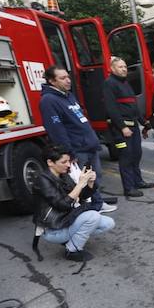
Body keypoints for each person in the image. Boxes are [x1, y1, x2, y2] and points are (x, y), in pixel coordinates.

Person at [39, 66, 116, 213]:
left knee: (94, 176)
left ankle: (97, 202)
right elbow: (56, 130)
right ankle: (92, 206)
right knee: (82, 179)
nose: (68, 80)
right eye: (62, 78)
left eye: (68, 77)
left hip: (88, 145)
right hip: (77, 148)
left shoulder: (68, 95)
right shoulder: (48, 100)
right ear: (51, 81)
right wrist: (68, 153)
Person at [34, 145, 114, 262]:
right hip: (53, 229)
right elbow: (62, 204)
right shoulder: (42, 180)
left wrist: (90, 183)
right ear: (50, 162)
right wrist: (80, 184)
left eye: (68, 161)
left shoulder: (63, 175)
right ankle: (72, 250)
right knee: (93, 216)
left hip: (66, 219)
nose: (68, 165)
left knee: (108, 223)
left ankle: (72, 239)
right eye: (64, 162)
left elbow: (81, 197)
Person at [104, 57, 153, 198]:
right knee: (126, 157)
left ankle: (138, 181)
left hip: (133, 128)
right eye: (120, 67)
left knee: (136, 155)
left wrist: (144, 123)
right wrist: (122, 127)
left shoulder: (125, 83)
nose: (124, 69)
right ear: (112, 69)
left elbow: (133, 106)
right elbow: (111, 108)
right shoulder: (109, 84)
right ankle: (129, 188)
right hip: (121, 131)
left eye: (125, 66)